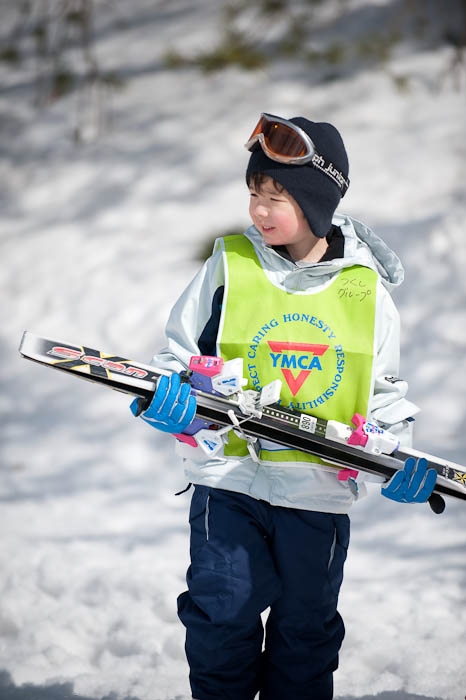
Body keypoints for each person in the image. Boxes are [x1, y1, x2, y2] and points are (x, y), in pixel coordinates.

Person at [131, 113, 437, 700]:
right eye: (253, 193)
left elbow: (385, 394)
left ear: (317, 199)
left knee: (306, 634)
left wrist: (400, 455)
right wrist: (163, 398)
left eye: (276, 196)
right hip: (229, 483)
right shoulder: (230, 265)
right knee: (221, 616)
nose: (258, 210)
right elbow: (175, 353)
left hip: (315, 496)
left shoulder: (365, 292)